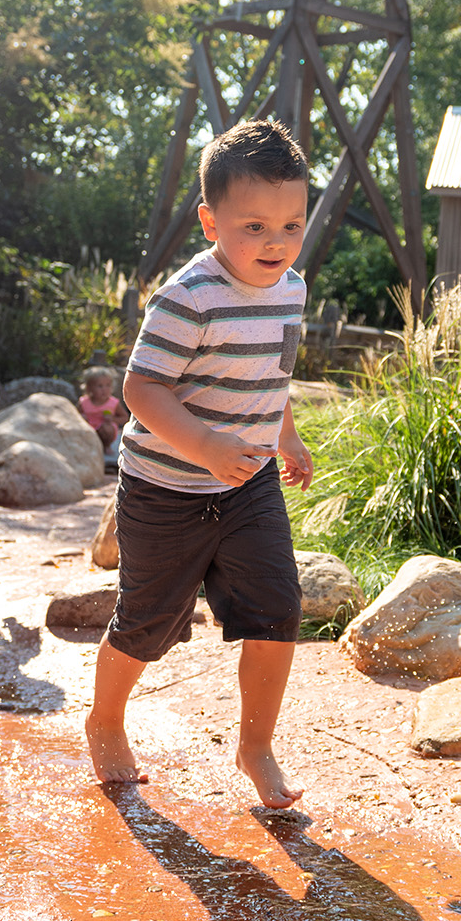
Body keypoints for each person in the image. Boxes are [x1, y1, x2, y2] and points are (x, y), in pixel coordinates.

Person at [85, 118, 313, 810]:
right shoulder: (187, 298)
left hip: (248, 487)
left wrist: (287, 437)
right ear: (211, 221)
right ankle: (105, 718)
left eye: (291, 225)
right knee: (149, 619)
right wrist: (206, 445)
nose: (275, 243)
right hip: (165, 489)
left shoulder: (292, 290)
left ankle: (255, 745)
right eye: (254, 227)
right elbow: (140, 389)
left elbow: (274, 376)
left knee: (278, 609)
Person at [78, 366, 127, 465]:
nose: (104, 389)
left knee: (107, 429)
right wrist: (81, 417)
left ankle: (106, 446)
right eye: (100, 386)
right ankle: (89, 446)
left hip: (104, 429)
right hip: (89, 429)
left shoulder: (113, 403)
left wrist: (113, 419)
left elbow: (125, 418)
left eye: (108, 385)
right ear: (89, 388)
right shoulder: (84, 402)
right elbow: (73, 414)